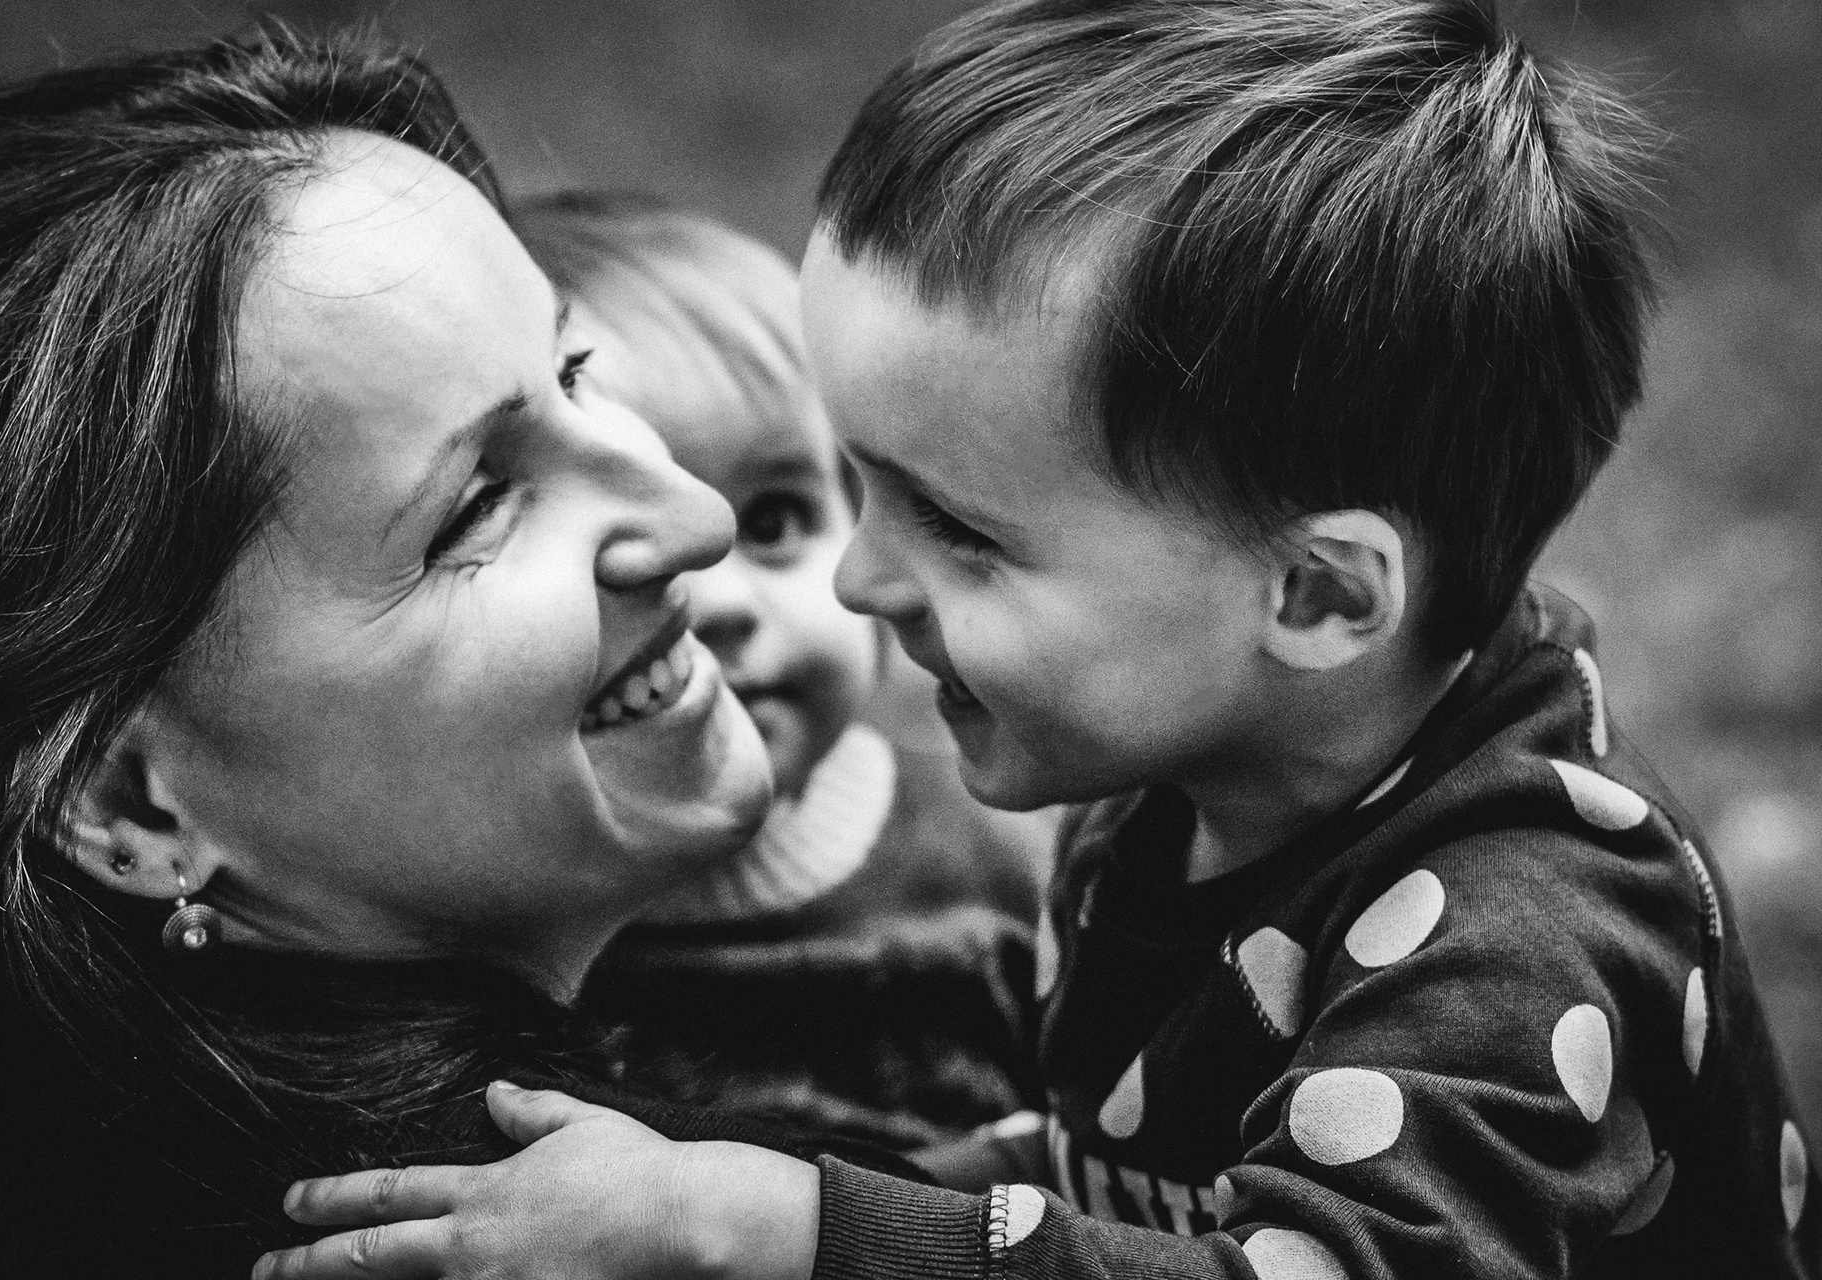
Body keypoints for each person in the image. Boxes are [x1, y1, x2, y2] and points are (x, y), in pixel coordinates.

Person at [255, 2, 1822, 1278]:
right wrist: (788, 1194)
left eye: (963, 530)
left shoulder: (1519, 938)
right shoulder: (1204, 750)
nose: (863, 579)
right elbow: (1118, 1179)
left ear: (1323, 599)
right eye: (853, 481)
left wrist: (788, 1230)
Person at [0, 30, 918, 1280]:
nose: (692, 515)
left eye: (574, 368)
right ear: (132, 804)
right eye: (476, 508)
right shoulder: (687, 1241)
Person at [516, 193, 1050, 1148]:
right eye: (625, 552)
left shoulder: (995, 858)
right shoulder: (506, 919)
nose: (717, 601)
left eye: (771, 524)